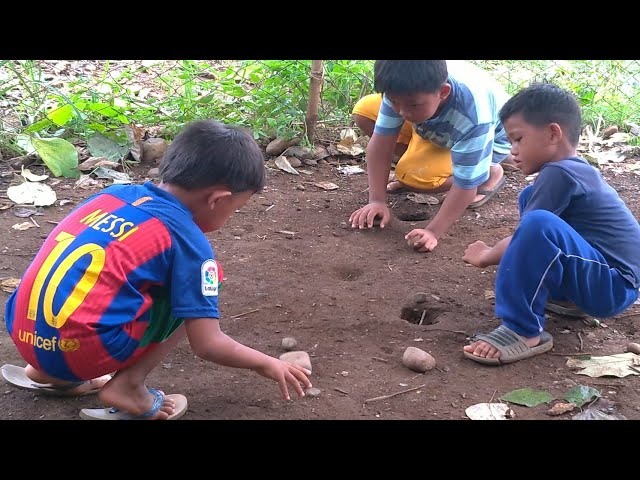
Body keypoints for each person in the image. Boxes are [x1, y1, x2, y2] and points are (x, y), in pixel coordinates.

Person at [2, 119, 312, 419]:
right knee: (201, 280)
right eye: (236, 209)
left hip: (25, 335)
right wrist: (266, 364)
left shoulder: (109, 197)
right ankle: (129, 386)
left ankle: (47, 372)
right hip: (84, 350)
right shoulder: (186, 240)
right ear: (219, 199)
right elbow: (208, 344)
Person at [462, 83, 640, 365]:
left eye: (518, 139)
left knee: (537, 222)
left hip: (613, 286)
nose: (513, 150)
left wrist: (485, 255)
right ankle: (568, 299)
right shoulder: (571, 170)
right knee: (530, 200)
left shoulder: (560, 173)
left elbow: (528, 235)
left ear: (553, 133)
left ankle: (523, 330)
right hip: (605, 277)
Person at [349, 60, 512, 252]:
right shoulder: (405, 89)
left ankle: (489, 172)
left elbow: (465, 185)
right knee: (364, 111)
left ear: (443, 92)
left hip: (485, 140)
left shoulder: (473, 117)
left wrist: (433, 231)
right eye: (393, 101)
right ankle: (422, 157)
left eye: (413, 105)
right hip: (433, 124)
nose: (402, 112)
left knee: (416, 177)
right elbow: (381, 142)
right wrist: (377, 200)